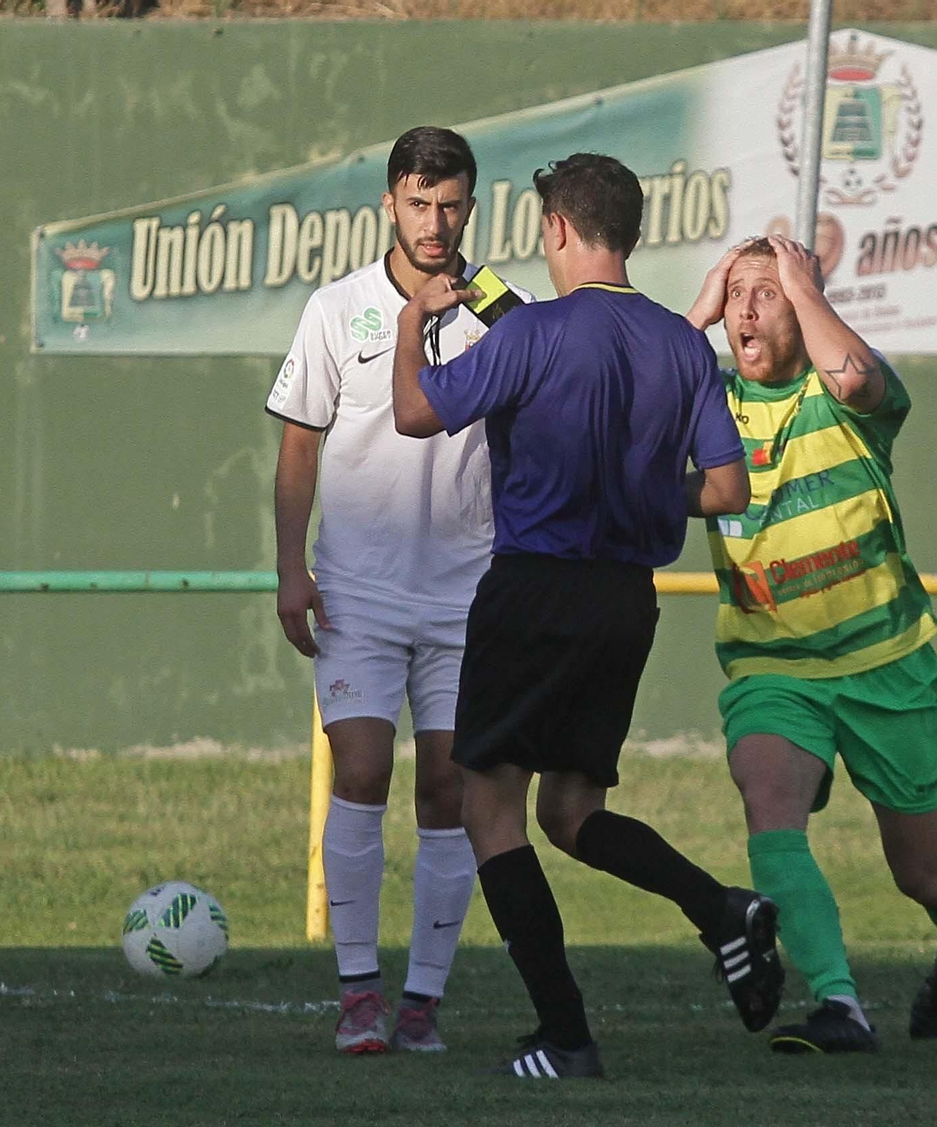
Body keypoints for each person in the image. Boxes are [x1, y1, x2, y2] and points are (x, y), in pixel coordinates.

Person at [390, 153, 784, 1080]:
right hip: (624, 602)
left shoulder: (536, 332)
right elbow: (728, 488)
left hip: (534, 590)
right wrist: (642, 489)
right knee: (571, 811)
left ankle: (566, 1035)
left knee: (490, 808)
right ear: (630, 233)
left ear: (559, 227)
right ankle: (723, 909)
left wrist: (413, 323)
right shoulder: (682, 345)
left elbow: (413, 412)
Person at [683, 234, 937, 1054]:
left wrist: (807, 285)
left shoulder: (845, 396)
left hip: (885, 663)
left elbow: (854, 376)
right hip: (772, 665)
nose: (747, 310)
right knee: (768, 800)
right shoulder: (708, 402)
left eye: (767, 293)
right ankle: (838, 1002)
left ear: (804, 306)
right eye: (736, 295)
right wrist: (697, 313)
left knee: (925, 875)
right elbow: (626, 402)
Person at [265, 126, 530, 1055]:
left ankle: (421, 1001)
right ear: (389, 203)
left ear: (472, 206)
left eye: (450, 204)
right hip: (358, 593)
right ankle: (357, 995)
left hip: (467, 595)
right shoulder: (337, 309)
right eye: (418, 203)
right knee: (363, 770)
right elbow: (299, 448)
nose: (434, 222)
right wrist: (292, 567)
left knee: (449, 786)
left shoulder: (506, 313)